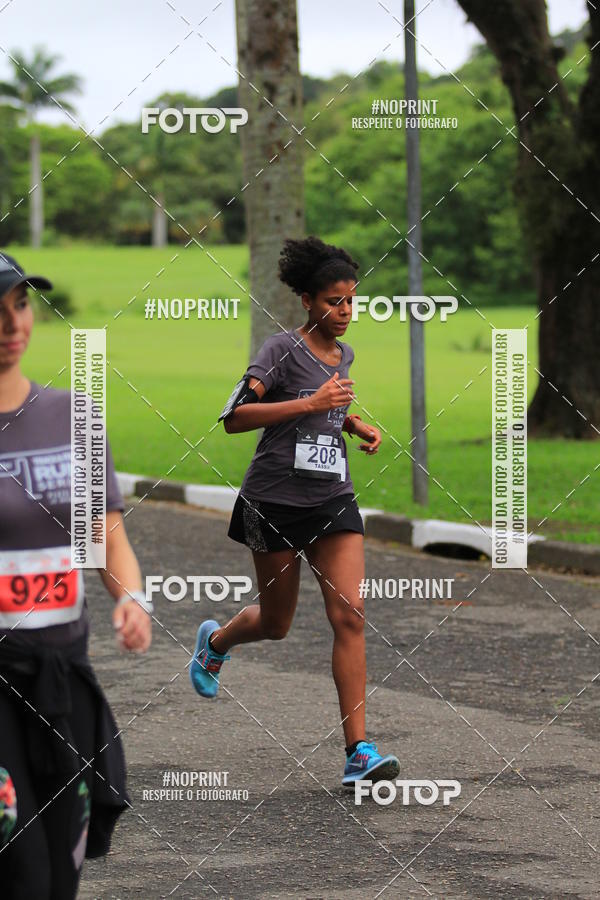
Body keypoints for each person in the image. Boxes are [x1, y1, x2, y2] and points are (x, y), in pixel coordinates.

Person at [190, 236, 400, 788]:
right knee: (278, 623)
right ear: (307, 300)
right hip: (273, 501)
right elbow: (235, 417)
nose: (346, 312)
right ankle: (216, 644)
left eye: (352, 301)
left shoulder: (344, 354)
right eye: (334, 302)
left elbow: (330, 403)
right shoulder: (278, 350)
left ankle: (359, 753)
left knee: (350, 615)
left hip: (332, 497)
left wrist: (353, 424)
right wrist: (308, 404)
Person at [0, 252, 152, 899]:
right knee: (24, 872)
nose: (12, 325)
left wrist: (133, 597)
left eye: (21, 305)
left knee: (64, 874)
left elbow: (107, 535)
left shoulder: (75, 416)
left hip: (65, 682)